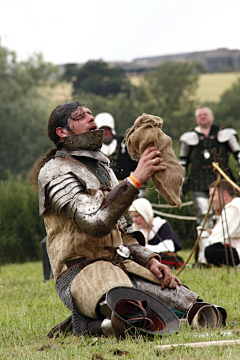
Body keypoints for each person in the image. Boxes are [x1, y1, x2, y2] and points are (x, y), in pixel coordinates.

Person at [30, 101, 225, 338]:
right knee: (133, 315)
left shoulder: (103, 166)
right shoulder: (55, 171)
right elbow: (96, 223)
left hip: (121, 264)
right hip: (81, 271)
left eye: (91, 114)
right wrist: (135, 180)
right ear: (62, 132)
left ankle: (107, 319)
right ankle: (89, 326)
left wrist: (150, 261)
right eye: (81, 117)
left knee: (202, 312)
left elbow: (124, 233)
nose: (91, 119)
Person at [179, 106, 240, 229]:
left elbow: (238, 154)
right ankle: (206, 246)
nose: (203, 117)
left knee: (227, 213)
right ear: (196, 119)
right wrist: (181, 181)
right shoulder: (188, 137)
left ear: (212, 117)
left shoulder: (224, 133)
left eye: (205, 114)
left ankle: (227, 246)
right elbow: (182, 162)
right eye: (200, 115)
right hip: (198, 182)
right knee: (204, 214)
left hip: (222, 179)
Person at [203, 180, 240, 267]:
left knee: (211, 251)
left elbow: (215, 239)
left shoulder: (233, 207)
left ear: (224, 195)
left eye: (212, 195)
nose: (210, 200)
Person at [94, 112, 138, 181]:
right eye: (102, 129)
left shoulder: (125, 143)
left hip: (125, 186)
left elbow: (136, 164)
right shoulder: (93, 147)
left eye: (107, 129)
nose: (105, 132)